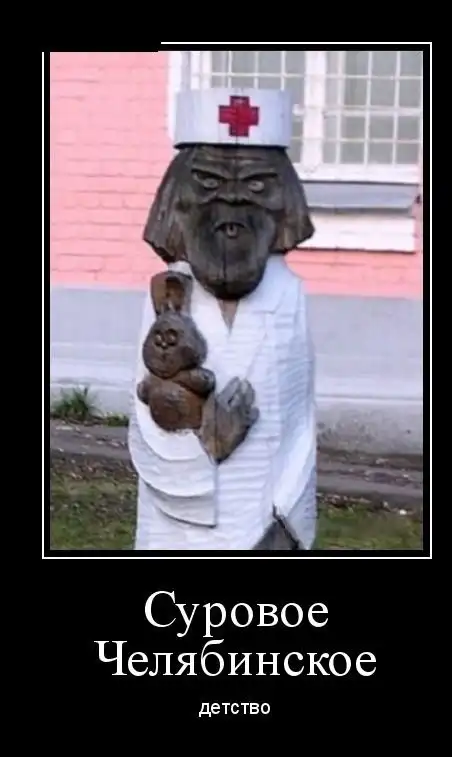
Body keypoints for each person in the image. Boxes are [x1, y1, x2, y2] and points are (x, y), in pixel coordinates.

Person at [128, 87, 317, 550]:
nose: (232, 205)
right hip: (178, 529)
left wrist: (290, 519)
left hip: (266, 517)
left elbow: (299, 420)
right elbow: (146, 418)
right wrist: (205, 443)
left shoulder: (288, 294)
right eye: (209, 183)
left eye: (257, 187)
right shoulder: (167, 294)